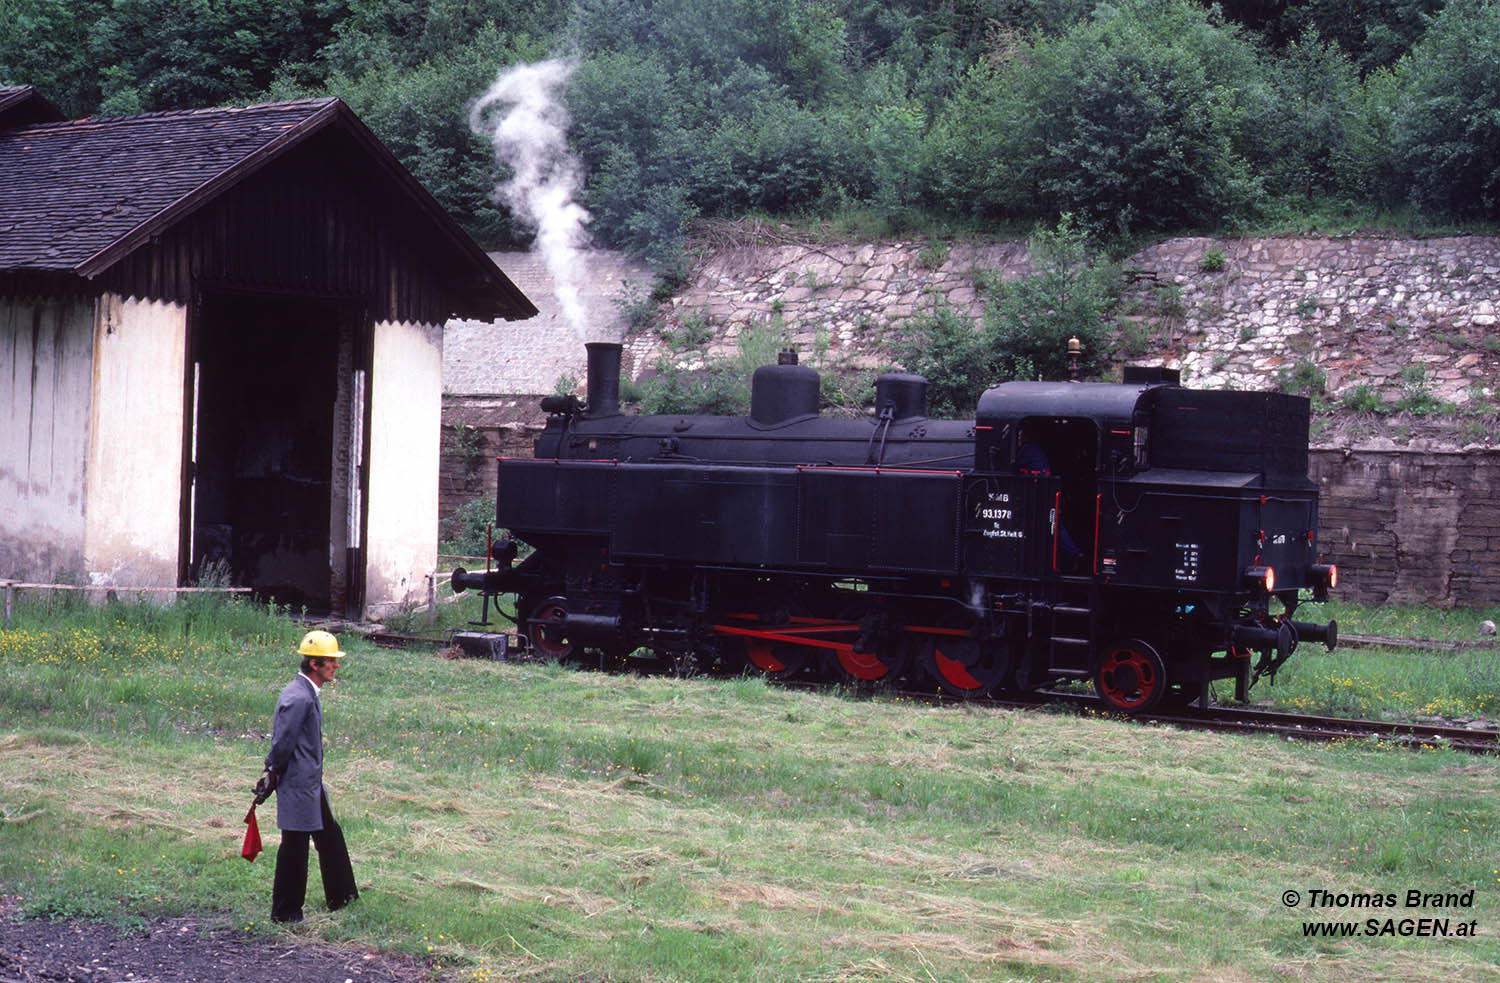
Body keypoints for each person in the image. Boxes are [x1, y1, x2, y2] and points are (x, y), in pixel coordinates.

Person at [256, 629, 359, 923]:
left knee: (330, 837)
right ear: (314, 664)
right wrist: (272, 771)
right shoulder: (299, 697)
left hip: (310, 783)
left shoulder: (304, 693)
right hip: (299, 784)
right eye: (330, 661)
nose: (336, 665)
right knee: (295, 847)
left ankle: (343, 899)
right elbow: (283, 742)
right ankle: (286, 913)